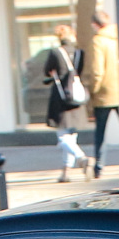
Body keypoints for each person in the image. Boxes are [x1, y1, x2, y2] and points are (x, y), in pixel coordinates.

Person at [35, 21, 91, 182]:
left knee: (62, 136)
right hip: (77, 95)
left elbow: (48, 72)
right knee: (71, 135)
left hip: (61, 97)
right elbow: (79, 71)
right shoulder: (80, 53)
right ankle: (65, 173)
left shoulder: (55, 53)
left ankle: (82, 158)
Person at [84, 8, 119, 177]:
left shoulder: (98, 41)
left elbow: (97, 70)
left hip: (104, 92)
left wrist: (93, 89)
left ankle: (99, 166)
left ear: (95, 24)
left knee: (100, 131)